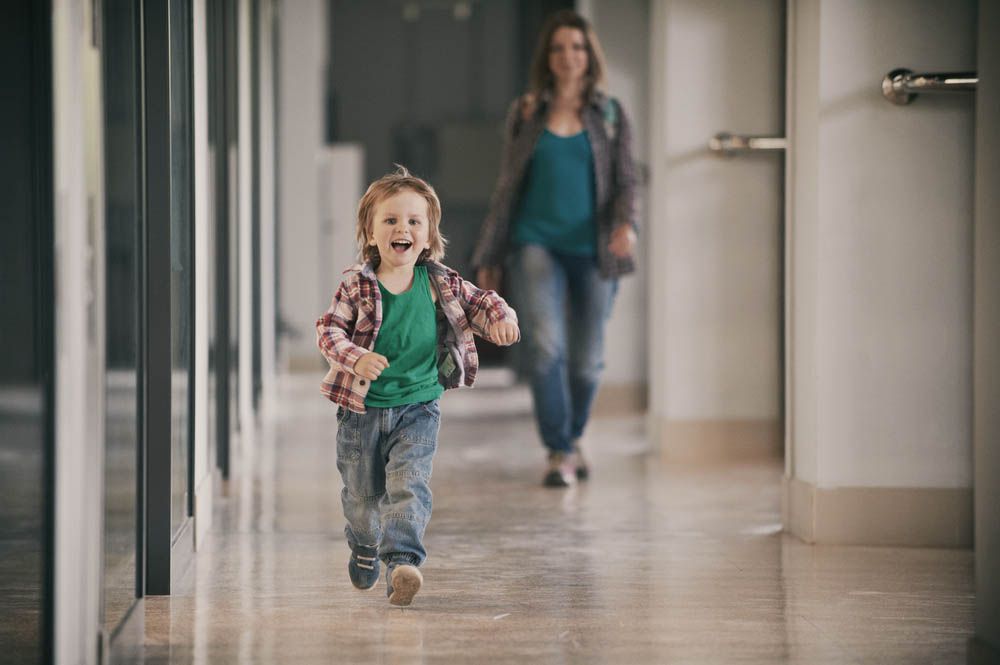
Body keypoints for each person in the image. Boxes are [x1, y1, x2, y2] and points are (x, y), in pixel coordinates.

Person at [316, 167, 519, 606]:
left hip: (419, 406)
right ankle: (364, 544)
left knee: (409, 483)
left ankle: (402, 564)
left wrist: (502, 318)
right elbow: (329, 331)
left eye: (414, 221)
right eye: (390, 220)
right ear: (370, 233)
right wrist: (355, 357)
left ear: (428, 235)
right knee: (362, 498)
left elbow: (482, 301)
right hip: (362, 410)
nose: (402, 229)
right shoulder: (356, 284)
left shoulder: (439, 281)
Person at [472, 9, 638, 488]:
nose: (569, 56)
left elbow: (627, 180)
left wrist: (626, 224)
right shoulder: (527, 113)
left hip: (595, 248)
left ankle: (573, 436)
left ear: (590, 56)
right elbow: (507, 187)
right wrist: (490, 255)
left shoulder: (610, 114)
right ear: (547, 57)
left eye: (578, 47)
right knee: (545, 349)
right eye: (560, 48)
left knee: (587, 361)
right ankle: (559, 450)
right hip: (535, 243)